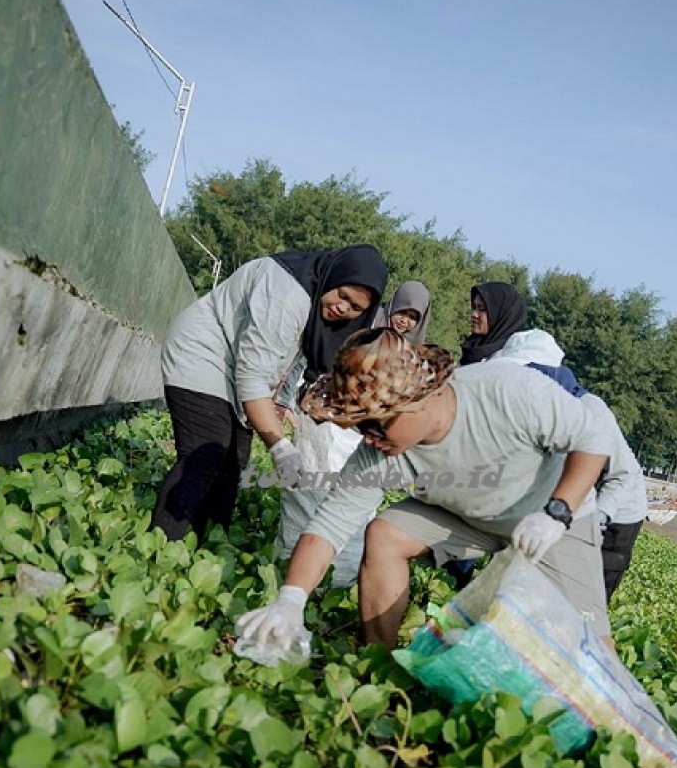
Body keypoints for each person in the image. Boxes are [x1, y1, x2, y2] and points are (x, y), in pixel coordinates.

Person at [235, 327, 620, 657]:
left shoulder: (506, 389)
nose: (370, 438)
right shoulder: (379, 451)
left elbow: (593, 437)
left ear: (417, 399)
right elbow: (328, 526)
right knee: (385, 535)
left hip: (549, 519)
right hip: (468, 517)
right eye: (361, 426)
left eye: (377, 424)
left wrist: (557, 512)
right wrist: (291, 599)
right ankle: (378, 664)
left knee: (591, 642)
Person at [152, 246, 388, 542]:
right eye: (343, 296)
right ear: (334, 278)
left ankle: (207, 546)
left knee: (233, 462)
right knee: (206, 452)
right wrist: (280, 447)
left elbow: (299, 358)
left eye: (355, 308)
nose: (343, 309)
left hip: (236, 364)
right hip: (204, 351)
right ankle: (160, 547)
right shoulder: (289, 293)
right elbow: (251, 376)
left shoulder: (318, 300)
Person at [276, 280, 433, 587]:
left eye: (413, 317)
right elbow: (321, 361)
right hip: (330, 425)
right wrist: (291, 400)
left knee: (352, 506)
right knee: (308, 491)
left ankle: (337, 582)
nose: (404, 321)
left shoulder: (414, 357)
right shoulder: (363, 329)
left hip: (367, 437)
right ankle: (292, 570)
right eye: (402, 312)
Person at [489, 329, 648, 602]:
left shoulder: (590, 409)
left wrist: (594, 521)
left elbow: (622, 476)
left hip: (618, 512)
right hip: (574, 501)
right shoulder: (537, 406)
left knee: (586, 594)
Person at [444, 281, 530, 586]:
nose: (474, 314)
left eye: (482, 309)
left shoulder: (511, 363)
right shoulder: (472, 352)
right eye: (474, 307)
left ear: (502, 316)